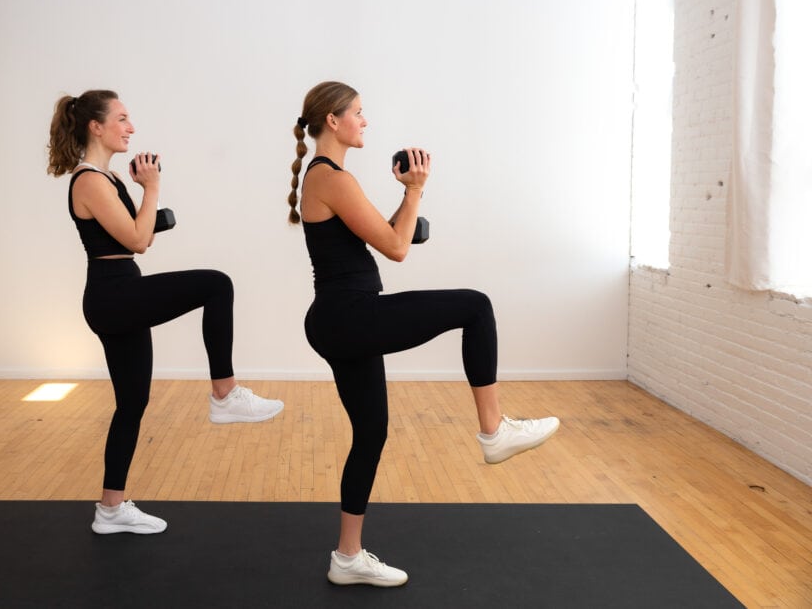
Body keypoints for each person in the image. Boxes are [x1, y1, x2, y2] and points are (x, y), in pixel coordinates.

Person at [288, 81, 559, 587]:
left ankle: (347, 557)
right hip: (351, 317)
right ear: (333, 120)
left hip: (340, 319)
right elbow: (395, 247)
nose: (365, 122)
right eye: (359, 114)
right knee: (475, 307)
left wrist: (404, 203)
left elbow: (381, 234)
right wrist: (415, 190)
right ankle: (494, 431)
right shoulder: (330, 178)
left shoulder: (327, 177)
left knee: (371, 434)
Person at [48, 89, 284, 535]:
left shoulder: (109, 179)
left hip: (123, 290)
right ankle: (225, 395)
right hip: (112, 295)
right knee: (217, 284)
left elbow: (140, 237)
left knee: (132, 403)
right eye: (121, 119)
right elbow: (138, 240)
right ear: (95, 126)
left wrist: (144, 199)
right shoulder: (89, 181)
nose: (130, 127)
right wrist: (153, 189)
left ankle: (110, 509)